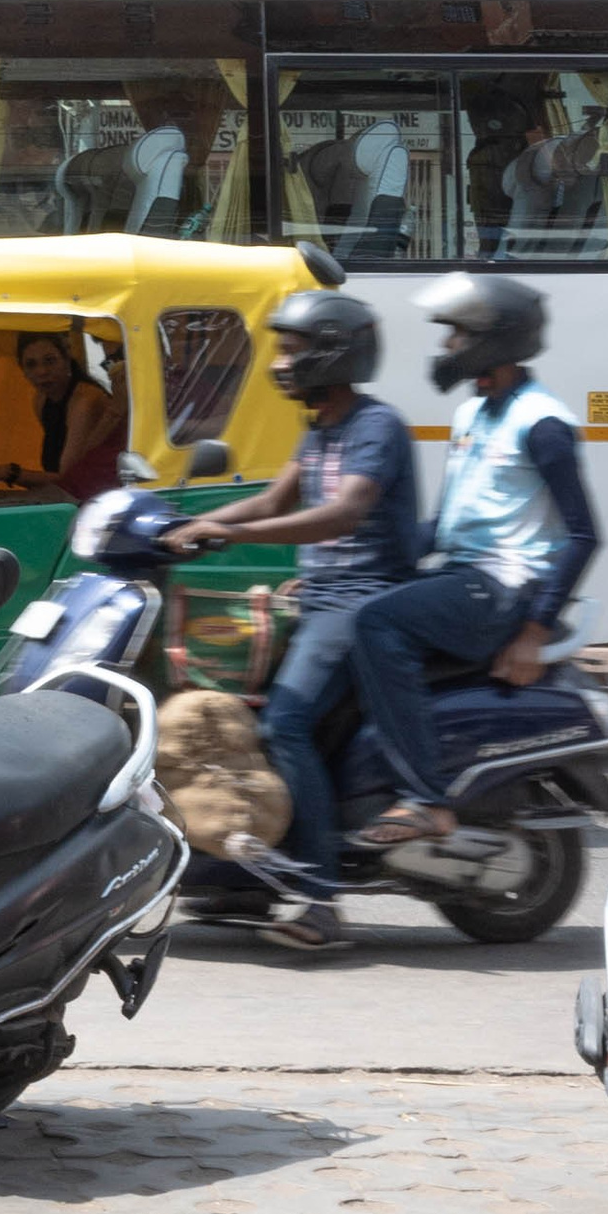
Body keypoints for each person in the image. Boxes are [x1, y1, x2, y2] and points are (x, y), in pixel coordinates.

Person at [163, 288, 417, 952]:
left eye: (292, 349)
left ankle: (321, 899)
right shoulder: (321, 426)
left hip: (360, 598)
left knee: (286, 722)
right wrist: (187, 524)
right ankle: (250, 872)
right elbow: (273, 500)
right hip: (321, 594)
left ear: (333, 353)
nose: (279, 362)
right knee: (238, 705)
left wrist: (232, 535)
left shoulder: (375, 426)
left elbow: (343, 514)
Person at [345, 270, 599, 846]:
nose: (446, 346)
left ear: (494, 338)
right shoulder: (472, 415)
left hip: (507, 585)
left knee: (377, 623)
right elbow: (446, 525)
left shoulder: (543, 423)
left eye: (456, 334)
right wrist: (356, 566)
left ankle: (425, 800)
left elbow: (584, 535)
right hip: (467, 576)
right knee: (354, 610)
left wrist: (534, 630)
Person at [0, 327, 128, 507]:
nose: (42, 372)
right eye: (31, 364)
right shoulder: (41, 400)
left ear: (67, 359)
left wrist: (8, 472)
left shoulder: (85, 401)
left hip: (90, 498)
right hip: (66, 495)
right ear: (22, 370)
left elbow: (66, 476)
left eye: (50, 361)